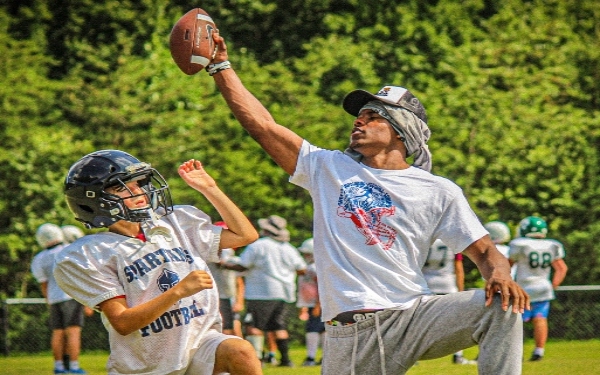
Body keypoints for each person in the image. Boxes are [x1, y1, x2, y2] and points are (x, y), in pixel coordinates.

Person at [203, 30, 530, 375]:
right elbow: (262, 124)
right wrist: (220, 65)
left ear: (403, 129)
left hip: (415, 315)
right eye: (360, 115)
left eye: (374, 116)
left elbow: (485, 252)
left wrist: (500, 276)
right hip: (352, 332)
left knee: (501, 305)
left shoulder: (438, 190)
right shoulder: (327, 167)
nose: (359, 120)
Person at [53, 150, 262, 375]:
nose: (137, 191)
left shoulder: (176, 222)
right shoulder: (90, 253)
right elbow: (123, 323)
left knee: (240, 350)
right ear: (94, 201)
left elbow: (245, 235)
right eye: (121, 187)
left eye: (137, 183)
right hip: (145, 365)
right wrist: (178, 291)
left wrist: (210, 189)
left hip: (199, 345)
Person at [223, 215, 307, 367]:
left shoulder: (259, 245)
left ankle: (256, 359)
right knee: (279, 326)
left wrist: (224, 265)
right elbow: (301, 269)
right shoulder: (289, 248)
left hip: (261, 292)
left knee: (254, 326)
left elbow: (243, 265)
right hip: (284, 293)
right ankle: (286, 360)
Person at [31, 223, 89, 374]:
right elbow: (80, 276)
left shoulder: (38, 258)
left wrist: (49, 301)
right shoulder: (68, 250)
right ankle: (75, 367)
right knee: (73, 332)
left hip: (54, 299)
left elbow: (43, 284)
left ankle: (59, 367)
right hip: (70, 296)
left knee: (57, 333)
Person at [509, 216, 568, 362]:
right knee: (540, 319)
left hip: (523, 288)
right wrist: (553, 285)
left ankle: (517, 352)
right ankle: (539, 351)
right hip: (543, 287)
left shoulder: (520, 244)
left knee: (517, 321)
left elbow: (507, 265)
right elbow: (561, 268)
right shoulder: (551, 245)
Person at [422, 239, 476, 365]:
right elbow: (458, 268)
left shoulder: (425, 238)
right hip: (448, 284)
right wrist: (460, 290)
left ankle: (414, 355)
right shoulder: (451, 241)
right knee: (457, 322)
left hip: (426, 284)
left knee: (422, 321)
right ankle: (458, 355)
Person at [207, 221, 245, 337]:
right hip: (223, 294)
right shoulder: (221, 250)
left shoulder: (227, 251)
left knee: (228, 327)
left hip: (225, 294)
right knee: (228, 326)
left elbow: (238, 281)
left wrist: (239, 300)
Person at [296, 238, 325, 367]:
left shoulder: (315, 267)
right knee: (322, 330)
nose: (305, 256)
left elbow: (322, 286)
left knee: (312, 330)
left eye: (308, 254)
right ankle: (323, 357)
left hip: (316, 304)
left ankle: (311, 357)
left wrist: (318, 305)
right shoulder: (309, 267)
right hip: (311, 303)